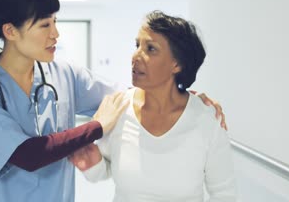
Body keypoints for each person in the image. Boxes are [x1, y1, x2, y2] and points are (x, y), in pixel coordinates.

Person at [0, 0, 227, 202]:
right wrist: (96, 128)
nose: (55, 33)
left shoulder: (65, 75)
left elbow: (128, 98)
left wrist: (182, 93)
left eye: (55, 21)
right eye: (45, 24)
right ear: (10, 31)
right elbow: (26, 155)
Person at [70, 11, 237, 202]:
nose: (136, 56)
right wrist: (92, 164)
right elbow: (105, 169)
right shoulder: (119, 108)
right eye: (137, 45)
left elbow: (224, 194)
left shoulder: (207, 119)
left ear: (177, 64)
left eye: (150, 49)